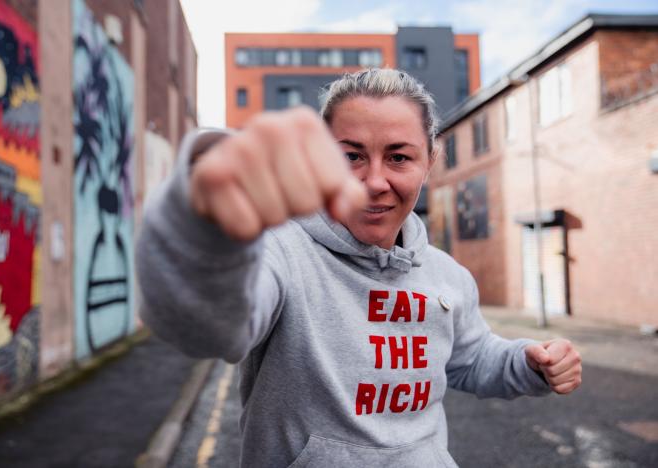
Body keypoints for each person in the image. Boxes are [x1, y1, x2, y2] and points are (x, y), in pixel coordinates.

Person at [136, 68, 582, 468]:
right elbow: (214, 327)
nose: (374, 182)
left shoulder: (447, 274)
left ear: (430, 160)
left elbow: (471, 358)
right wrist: (204, 224)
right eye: (351, 155)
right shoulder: (282, 253)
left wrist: (528, 362)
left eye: (398, 157)